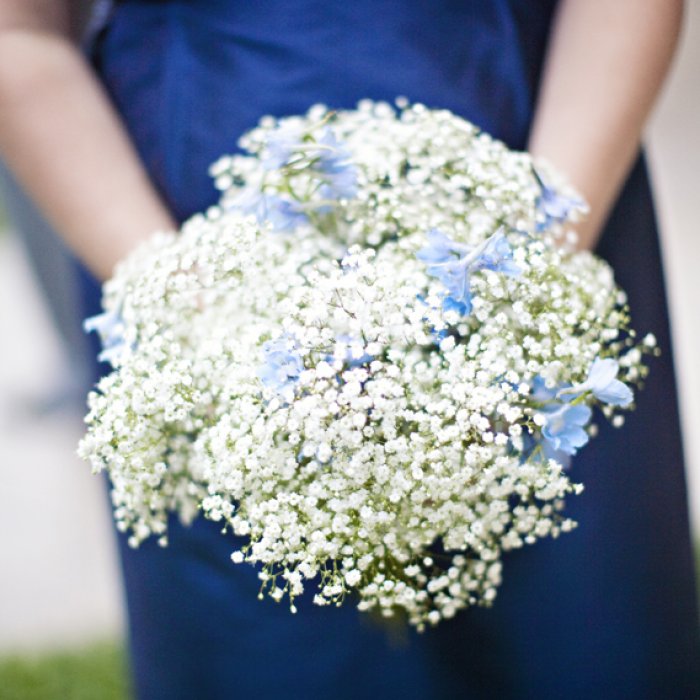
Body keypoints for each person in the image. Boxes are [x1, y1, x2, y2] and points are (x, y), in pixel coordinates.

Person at [1, 1, 698, 698]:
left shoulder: (538, 256)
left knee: (577, 636)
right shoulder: (211, 318)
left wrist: (524, 276)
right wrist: (205, 323)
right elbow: (19, 33)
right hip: (191, 227)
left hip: (547, 157)